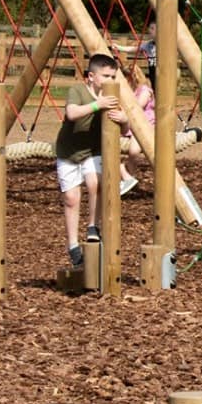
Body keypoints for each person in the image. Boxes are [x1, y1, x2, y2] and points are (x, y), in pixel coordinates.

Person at [55, 53, 127, 269]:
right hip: (68, 151)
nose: (110, 81)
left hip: (93, 150)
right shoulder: (78, 91)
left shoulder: (112, 96)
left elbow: (123, 127)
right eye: (105, 76)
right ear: (91, 76)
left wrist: (124, 121)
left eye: (113, 77)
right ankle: (73, 246)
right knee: (71, 198)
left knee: (96, 182)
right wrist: (98, 105)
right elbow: (72, 113)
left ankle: (93, 227)